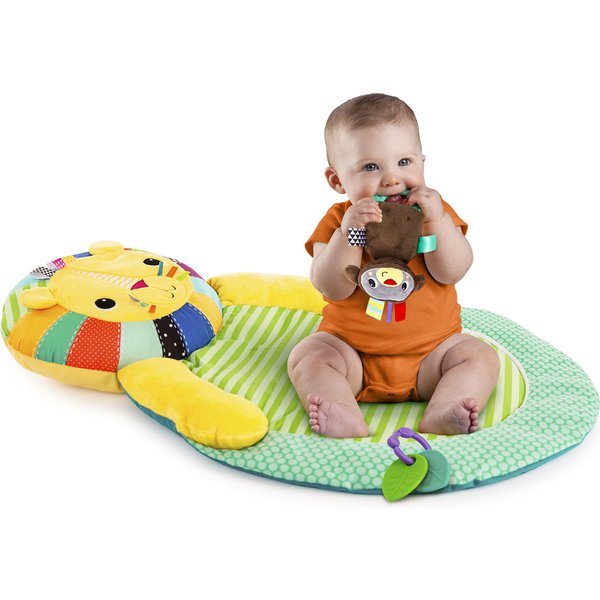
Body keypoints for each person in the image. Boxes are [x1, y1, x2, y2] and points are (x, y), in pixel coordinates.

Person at [287, 93, 500, 437]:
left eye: (404, 162)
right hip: (352, 355)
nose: (391, 179)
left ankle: (447, 406)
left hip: (433, 356)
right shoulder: (340, 221)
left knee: (480, 356)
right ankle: (340, 410)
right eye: (370, 167)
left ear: (422, 163)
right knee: (308, 354)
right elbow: (331, 286)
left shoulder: (434, 213)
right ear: (337, 180)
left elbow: (452, 270)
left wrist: (436, 222)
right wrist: (351, 233)